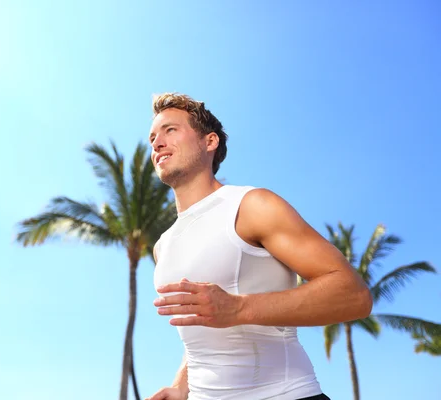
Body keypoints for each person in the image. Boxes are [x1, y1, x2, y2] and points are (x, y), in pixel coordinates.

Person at [146, 93, 373, 400]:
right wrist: (181, 386)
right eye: (152, 137)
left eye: (170, 130)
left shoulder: (251, 205)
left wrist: (239, 308)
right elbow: (202, 326)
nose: (157, 142)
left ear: (209, 141)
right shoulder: (163, 246)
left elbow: (354, 295)